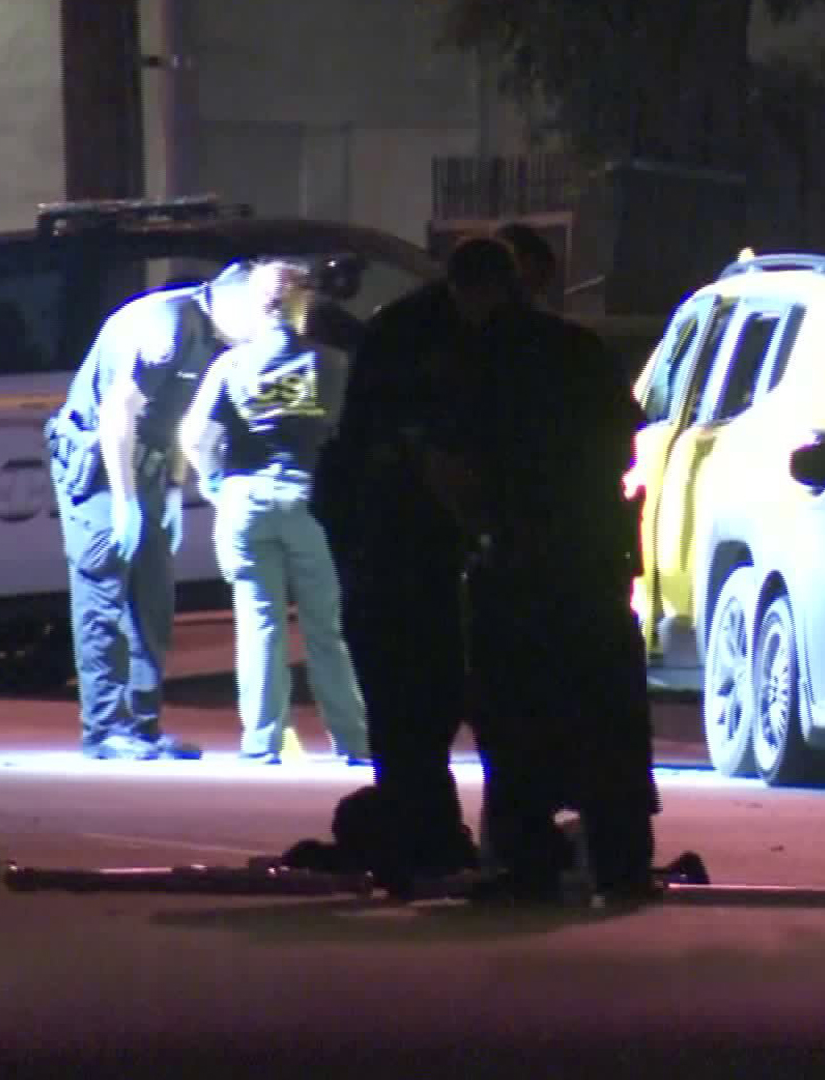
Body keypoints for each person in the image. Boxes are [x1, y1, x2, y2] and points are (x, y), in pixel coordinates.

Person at [448, 239, 660, 906]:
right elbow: (628, 437)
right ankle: (622, 864)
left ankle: (526, 863)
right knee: (607, 720)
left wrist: (474, 528)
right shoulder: (579, 348)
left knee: (515, 719)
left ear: (470, 291)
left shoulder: (477, 359)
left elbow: (452, 461)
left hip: (517, 565)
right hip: (593, 559)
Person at [308, 244, 490, 891]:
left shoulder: (396, 338)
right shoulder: (434, 347)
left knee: (408, 713)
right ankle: (430, 841)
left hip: (388, 558)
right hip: (412, 559)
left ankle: (422, 840)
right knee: (425, 706)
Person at [46, 261, 273, 761]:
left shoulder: (219, 339)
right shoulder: (165, 325)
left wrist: (172, 487)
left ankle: (142, 727)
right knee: (104, 591)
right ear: (233, 302)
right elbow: (118, 415)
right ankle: (105, 730)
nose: (263, 327)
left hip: (147, 465)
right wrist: (126, 501)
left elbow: (180, 417)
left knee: (152, 599)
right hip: (102, 460)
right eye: (260, 313)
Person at [177, 260, 372, 766]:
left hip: (245, 503)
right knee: (325, 628)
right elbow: (357, 439)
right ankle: (352, 741)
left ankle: (263, 742)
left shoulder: (231, 365)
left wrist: (214, 484)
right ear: (301, 303)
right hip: (309, 503)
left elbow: (194, 435)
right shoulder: (331, 364)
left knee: (257, 623)